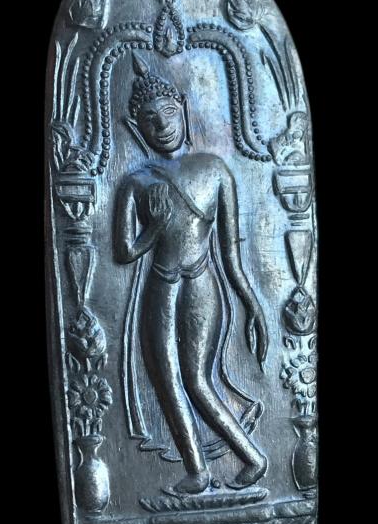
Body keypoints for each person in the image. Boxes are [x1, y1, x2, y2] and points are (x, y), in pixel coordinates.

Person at [114, 55, 268, 494]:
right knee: (165, 381)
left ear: (182, 107)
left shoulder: (213, 170)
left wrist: (253, 304)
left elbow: (231, 254)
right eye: (149, 119)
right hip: (161, 285)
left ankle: (254, 458)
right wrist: (154, 229)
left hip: (202, 282)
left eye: (167, 112)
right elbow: (124, 252)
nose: (161, 125)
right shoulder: (135, 183)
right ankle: (197, 471)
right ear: (137, 127)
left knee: (197, 380)